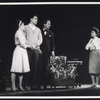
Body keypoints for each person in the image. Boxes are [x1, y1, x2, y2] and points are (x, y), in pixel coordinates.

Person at [10, 20, 32, 91]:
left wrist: (32, 45)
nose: (24, 26)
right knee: (15, 69)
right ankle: (13, 86)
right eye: (23, 25)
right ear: (19, 25)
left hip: (23, 51)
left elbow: (26, 41)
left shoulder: (22, 33)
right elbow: (22, 43)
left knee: (21, 69)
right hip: (19, 50)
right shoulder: (18, 33)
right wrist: (29, 46)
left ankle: (20, 86)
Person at [24, 15, 43, 90]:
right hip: (28, 49)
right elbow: (23, 38)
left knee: (35, 68)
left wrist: (35, 45)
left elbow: (40, 39)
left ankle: (33, 84)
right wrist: (30, 44)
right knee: (27, 67)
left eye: (37, 19)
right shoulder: (25, 27)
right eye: (35, 18)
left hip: (35, 50)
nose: (37, 20)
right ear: (31, 19)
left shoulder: (38, 29)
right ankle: (25, 84)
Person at [40, 19, 55, 89]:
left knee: (46, 68)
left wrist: (53, 51)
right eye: (48, 24)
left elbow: (53, 43)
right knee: (40, 68)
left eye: (50, 24)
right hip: (40, 51)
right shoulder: (39, 31)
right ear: (44, 24)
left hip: (47, 52)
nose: (50, 25)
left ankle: (45, 85)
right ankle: (38, 84)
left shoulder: (51, 33)